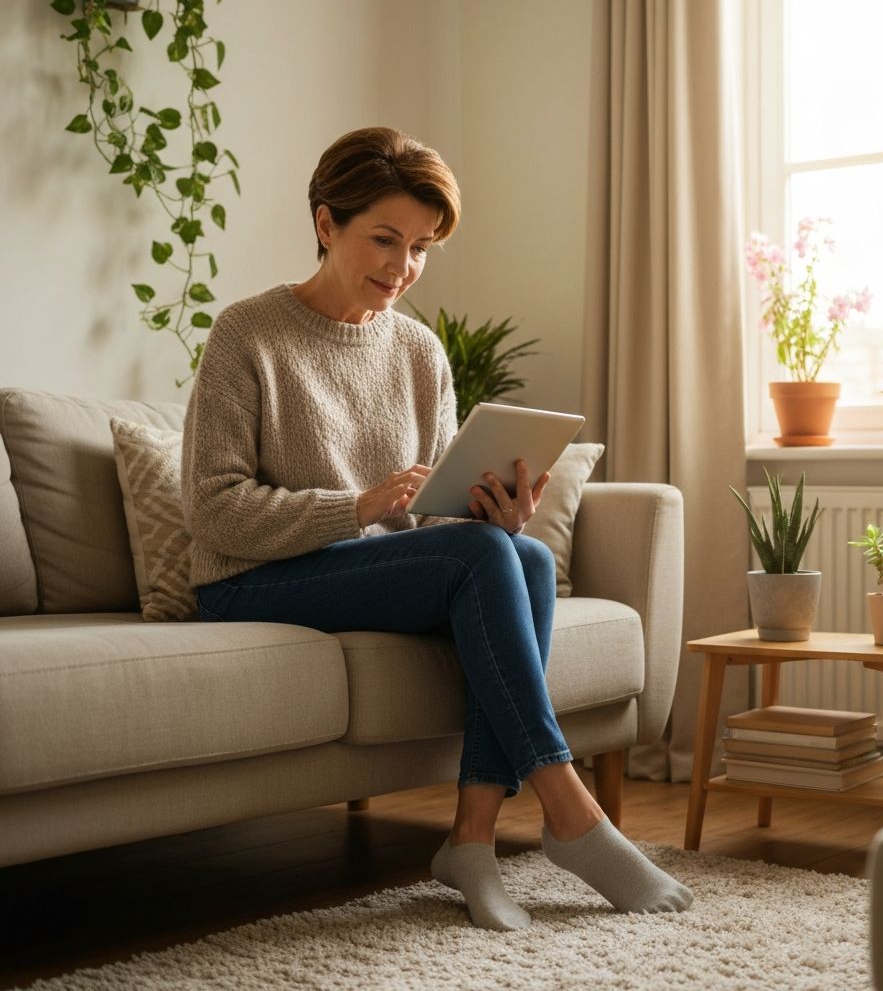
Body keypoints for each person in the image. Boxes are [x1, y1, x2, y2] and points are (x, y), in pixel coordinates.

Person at [181, 126, 693, 930]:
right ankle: (572, 813)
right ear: (326, 224)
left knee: (518, 555)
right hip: (248, 579)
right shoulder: (247, 335)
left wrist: (492, 510)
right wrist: (357, 506)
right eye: (384, 239)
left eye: (420, 248)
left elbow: (434, 521)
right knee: (494, 559)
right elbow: (213, 511)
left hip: (364, 567)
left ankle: (472, 838)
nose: (402, 267)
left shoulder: (419, 350)